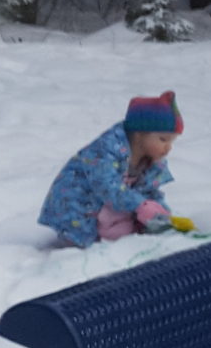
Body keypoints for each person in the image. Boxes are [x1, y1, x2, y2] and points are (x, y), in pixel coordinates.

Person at [40, 91, 190, 249]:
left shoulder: (151, 161)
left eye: (172, 142)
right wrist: (141, 205)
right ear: (140, 134)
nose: (168, 148)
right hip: (80, 209)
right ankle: (109, 244)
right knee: (121, 230)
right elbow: (106, 186)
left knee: (131, 222)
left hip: (112, 207)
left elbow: (149, 192)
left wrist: (161, 215)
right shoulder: (106, 150)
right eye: (163, 139)